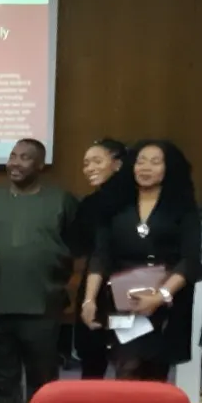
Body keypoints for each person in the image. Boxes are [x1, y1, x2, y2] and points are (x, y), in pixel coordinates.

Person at [0, 139, 79, 403]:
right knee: (0, 371)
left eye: (25, 158)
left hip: (43, 301)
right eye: (13, 156)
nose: (16, 162)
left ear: (40, 165)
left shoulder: (61, 200)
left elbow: (76, 243)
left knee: (42, 371)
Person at [80, 141, 202, 380]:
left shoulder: (183, 208)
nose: (145, 167)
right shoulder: (115, 205)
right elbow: (100, 255)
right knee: (127, 366)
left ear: (169, 168)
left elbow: (190, 260)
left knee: (155, 373)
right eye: (141, 161)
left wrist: (160, 297)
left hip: (166, 302)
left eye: (155, 162)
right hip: (123, 302)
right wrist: (89, 299)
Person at [73, 139, 129, 378]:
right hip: (93, 285)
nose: (90, 168)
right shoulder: (89, 204)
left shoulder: (135, 200)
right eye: (86, 163)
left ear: (117, 164)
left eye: (97, 161)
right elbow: (79, 244)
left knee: (128, 359)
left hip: (128, 283)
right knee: (91, 357)